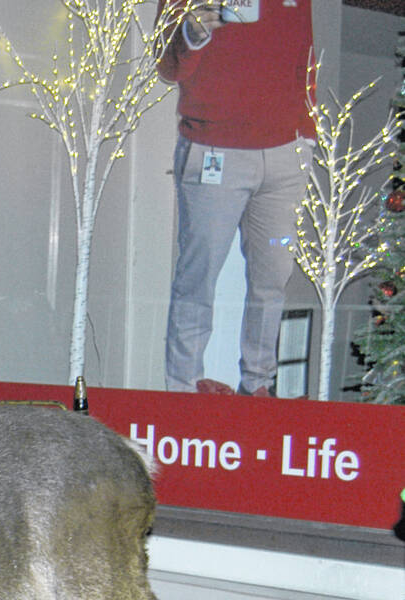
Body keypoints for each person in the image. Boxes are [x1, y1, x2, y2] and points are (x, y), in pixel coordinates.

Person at [158, 0, 315, 396]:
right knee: (199, 275)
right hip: (215, 150)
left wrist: (306, 134)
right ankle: (182, 389)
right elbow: (168, 67)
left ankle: (259, 388)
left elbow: (304, 57)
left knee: (273, 276)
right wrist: (194, 33)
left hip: (286, 156)